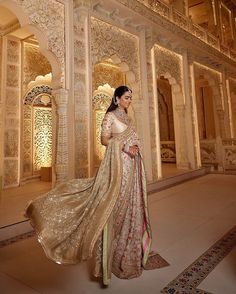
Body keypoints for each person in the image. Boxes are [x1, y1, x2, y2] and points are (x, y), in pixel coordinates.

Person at [25, 85, 168, 286]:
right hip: (118, 170)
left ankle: (126, 254)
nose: (129, 101)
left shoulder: (128, 117)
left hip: (132, 168)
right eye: (127, 98)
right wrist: (126, 146)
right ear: (117, 99)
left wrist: (134, 149)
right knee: (111, 209)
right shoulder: (110, 116)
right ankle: (106, 261)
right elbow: (104, 140)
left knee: (130, 209)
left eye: (131, 98)